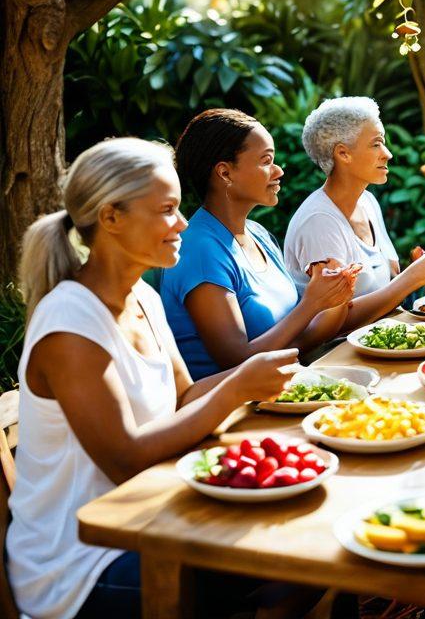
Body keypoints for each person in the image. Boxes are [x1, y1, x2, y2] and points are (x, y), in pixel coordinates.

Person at [7, 138, 296, 619]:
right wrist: (239, 388)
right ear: (111, 217)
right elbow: (125, 460)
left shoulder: (144, 296)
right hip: (80, 564)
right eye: (166, 210)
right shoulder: (70, 323)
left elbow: (185, 397)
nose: (183, 224)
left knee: (289, 546)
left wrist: (265, 383)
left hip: (155, 515)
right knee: (276, 566)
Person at [160, 109, 356, 380]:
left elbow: (300, 340)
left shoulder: (258, 234)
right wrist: (312, 304)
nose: (279, 171)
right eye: (266, 161)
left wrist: (335, 297)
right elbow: (236, 363)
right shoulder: (201, 251)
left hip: (285, 389)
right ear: (225, 172)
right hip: (233, 413)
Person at [284, 96, 425, 325]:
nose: (387, 154)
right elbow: (329, 324)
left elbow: (389, 288)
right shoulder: (319, 222)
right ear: (343, 154)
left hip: (386, 334)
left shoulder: (367, 202)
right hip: (337, 353)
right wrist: (415, 276)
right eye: (376, 144)